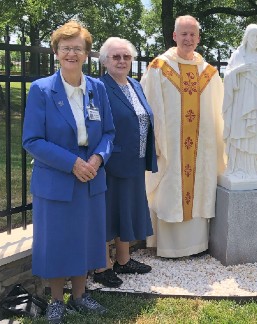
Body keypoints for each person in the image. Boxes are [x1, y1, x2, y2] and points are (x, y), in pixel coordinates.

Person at [22, 21, 113, 323]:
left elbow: (109, 133)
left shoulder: (97, 89)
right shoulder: (42, 90)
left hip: (91, 178)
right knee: (57, 240)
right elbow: (32, 140)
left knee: (85, 238)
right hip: (58, 179)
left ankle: (80, 296)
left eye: (78, 48)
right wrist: (72, 163)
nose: (72, 53)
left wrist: (98, 159)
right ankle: (56, 301)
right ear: (56, 52)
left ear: (87, 53)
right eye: (66, 47)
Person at [141, 15, 225, 258]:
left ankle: (197, 245)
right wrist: (155, 141)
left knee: (199, 187)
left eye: (192, 34)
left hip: (202, 147)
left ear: (198, 38)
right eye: (183, 34)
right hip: (171, 146)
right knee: (171, 188)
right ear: (174, 36)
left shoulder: (208, 72)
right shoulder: (159, 68)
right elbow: (149, 104)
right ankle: (168, 246)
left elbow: (219, 109)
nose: (188, 39)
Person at [95, 37, 156, 286]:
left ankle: (123, 259)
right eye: (116, 57)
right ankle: (102, 266)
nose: (122, 61)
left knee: (127, 210)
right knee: (108, 213)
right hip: (111, 161)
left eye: (126, 57)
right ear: (104, 61)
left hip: (135, 158)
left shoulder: (135, 84)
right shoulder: (99, 86)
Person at [220, 24, 257, 189]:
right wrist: (241, 70)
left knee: (255, 135)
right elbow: (228, 76)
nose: (256, 40)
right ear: (247, 37)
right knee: (240, 133)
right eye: (253, 36)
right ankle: (236, 168)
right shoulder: (238, 55)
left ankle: (253, 170)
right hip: (240, 102)